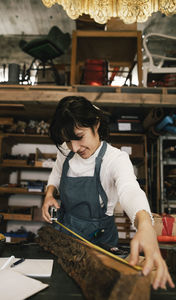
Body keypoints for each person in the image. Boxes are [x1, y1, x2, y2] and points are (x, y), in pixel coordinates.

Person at [42, 96, 174, 290]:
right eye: (69, 141)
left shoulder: (115, 159)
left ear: (96, 124)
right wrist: (49, 194)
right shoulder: (66, 150)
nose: (75, 148)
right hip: (65, 237)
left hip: (99, 242)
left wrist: (145, 225)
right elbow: (56, 173)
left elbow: (130, 189)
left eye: (79, 137)